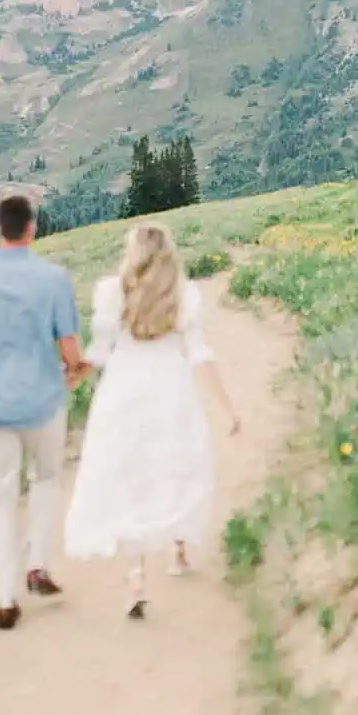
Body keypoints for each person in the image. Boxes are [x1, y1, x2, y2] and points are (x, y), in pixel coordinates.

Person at [64, 220, 239, 618]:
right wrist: (228, 407)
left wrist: (73, 375)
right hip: (169, 387)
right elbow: (198, 354)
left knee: (130, 474)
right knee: (175, 465)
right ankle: (178, 550)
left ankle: (135, 576)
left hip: (123, 390)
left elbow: (100, 352)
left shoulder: (113, 292)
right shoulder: (183, 294)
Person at [0, 192, 88, 631]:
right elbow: (69, 347)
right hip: (42, 398)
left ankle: (4, 597)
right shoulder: (53, 278)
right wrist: (76, 371)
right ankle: (38, 565)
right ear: (32, 227)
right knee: (46, 478)